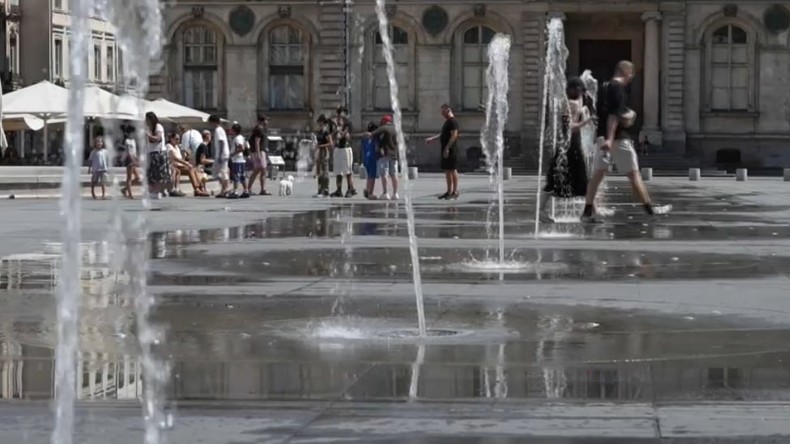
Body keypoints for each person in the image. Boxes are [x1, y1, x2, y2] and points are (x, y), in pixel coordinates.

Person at [581, 60, 670, 222]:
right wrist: (612, 136)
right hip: (618, 139)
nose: (630, 80)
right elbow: (614, 115)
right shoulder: (618, 88)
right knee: (634, 175)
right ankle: (650, 211)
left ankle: (587, 212)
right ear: (626, 72)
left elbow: (599, 112)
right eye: (631, 76)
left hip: (601, 137)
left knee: (597, 175)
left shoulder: (604, 86)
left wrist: (602, 137)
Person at [539, 76, 594, 220]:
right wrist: (587, 121)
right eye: (581, 91)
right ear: (575, 90)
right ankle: (588, 214)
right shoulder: (572, 104)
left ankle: (541, 211)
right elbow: (570, 127)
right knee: (577, 180)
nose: (582, 94)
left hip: (567, 146)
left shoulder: (573, 104)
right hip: (570, 147)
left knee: (558, 180)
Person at [426, 104, 460, 199]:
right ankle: (449, 191)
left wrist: (447, 148)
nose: (442, 114)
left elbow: (454, 135)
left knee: (453, 170)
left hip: (451, 150)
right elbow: (443, 134)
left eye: (443, 112)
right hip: (446, 149)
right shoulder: (447, 122)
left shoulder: (453, 122)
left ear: (448, 110)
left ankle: (455, 191)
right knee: (447, 170)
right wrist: (433, 138)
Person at [167, 132, 210, 197]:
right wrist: (186, 163)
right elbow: (175, 158)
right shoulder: (169, 146)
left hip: (179, 165)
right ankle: (196, 189)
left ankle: (200, 188)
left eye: (179, 139)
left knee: (194, 169)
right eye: (176, 139)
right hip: (173, 165)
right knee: (190, 169)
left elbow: (181, 158)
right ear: (171, 139)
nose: (178, 141)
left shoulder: (177, 147)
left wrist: (187, 160)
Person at [365, 115, 398, 200]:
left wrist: (366, 134)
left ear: (384, 121)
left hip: (384, 154)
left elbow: (371, 134)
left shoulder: (383, 128)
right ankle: (395, 193)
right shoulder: (395, 129)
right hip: (394, 155)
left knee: (384, 174)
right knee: (394, 174)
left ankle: (385, 193)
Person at [331, 106, 356, 198]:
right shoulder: (337, 124)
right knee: (338, 171)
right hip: (338, 148)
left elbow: (344, 135)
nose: (338, 116)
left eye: (340, 114)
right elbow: (334, 135)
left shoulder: (348, 124)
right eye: (338, 114)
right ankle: (338, 190)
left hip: (346, 148)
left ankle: (350, 189)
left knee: (347, 170)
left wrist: (339, 130)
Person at [144, 112, 168, 199]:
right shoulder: (150, 128)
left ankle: (156, 191)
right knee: (151, 173)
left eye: (147, 119)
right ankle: (152, 191)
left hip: (158, 152)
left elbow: (158, 139)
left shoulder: (158, 127)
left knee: (158, 173)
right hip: (151, 152)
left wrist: (148, 135)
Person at [247, 115, 271, 195]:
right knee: (261, 170)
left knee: (258, 171)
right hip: (259, 152)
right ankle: (259, 189)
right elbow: (257, 142)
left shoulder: (258, 129)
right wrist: (258, 155)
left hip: (258, 151)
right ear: (262, 121)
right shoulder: (259, 129)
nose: (267, 122)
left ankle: (255, 189)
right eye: (266, 120)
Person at [208, 115, 231, 197]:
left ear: (214, 122)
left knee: (220, 172)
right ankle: (224, 189)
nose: (210, 124)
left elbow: (222, 142)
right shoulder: (220, 130)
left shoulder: (218, 130)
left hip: (222, 154)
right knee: (221, 172)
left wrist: (220, 154)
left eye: (210, 122)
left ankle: (225, 189)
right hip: (223, 154)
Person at [229, 123, 250, 198]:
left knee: (236, 176)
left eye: (232, 129)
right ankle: (246, 190)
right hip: (242, 160)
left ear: (234, 130)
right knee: (242, 176)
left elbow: (241, 148)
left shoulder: (237, 138)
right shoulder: (242, 137)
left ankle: (235, 191)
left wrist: (232, 154)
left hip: (237, 159)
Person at [314, 114, 332, 197]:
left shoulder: (326, 132)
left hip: (324, 152)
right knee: (319, 171)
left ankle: (326, 189)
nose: (319, 124)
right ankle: (320, 189)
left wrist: (321, 146)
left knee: (325, 171)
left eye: (320, 122)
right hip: (319, 152)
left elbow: (330, 143)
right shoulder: (319, 132)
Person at [120, 124, 141, 199]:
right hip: (129, 159)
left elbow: (134, 151)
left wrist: (137, 159)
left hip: (133, 158)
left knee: (138, 177)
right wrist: (133, 160)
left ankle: (125, 189)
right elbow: (129, 152)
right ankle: (130, 194)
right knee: (129, 177)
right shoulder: (127, 141)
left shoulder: (133, 141)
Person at [361, 121, 380, 199]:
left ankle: (367, 189)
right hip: (372, 158)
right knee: (372, 176)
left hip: (366, 158)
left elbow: (362, 148)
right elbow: (377, 147)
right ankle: (370, 193)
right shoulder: (374, 138)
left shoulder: (364, 138)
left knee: (369, 175)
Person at [88, 135, 108, 200]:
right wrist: (89, 168)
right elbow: (90, 161)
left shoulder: (105, 151)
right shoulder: (93, 152)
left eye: (100, 142)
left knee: (103, 182)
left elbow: (106, 159)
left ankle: (103, 194)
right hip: (95, 169)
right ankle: (93, 192)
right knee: (94, 181)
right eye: (97, 142)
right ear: (95, 143)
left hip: (103, 169)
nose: (99, 143)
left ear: (103, 143)